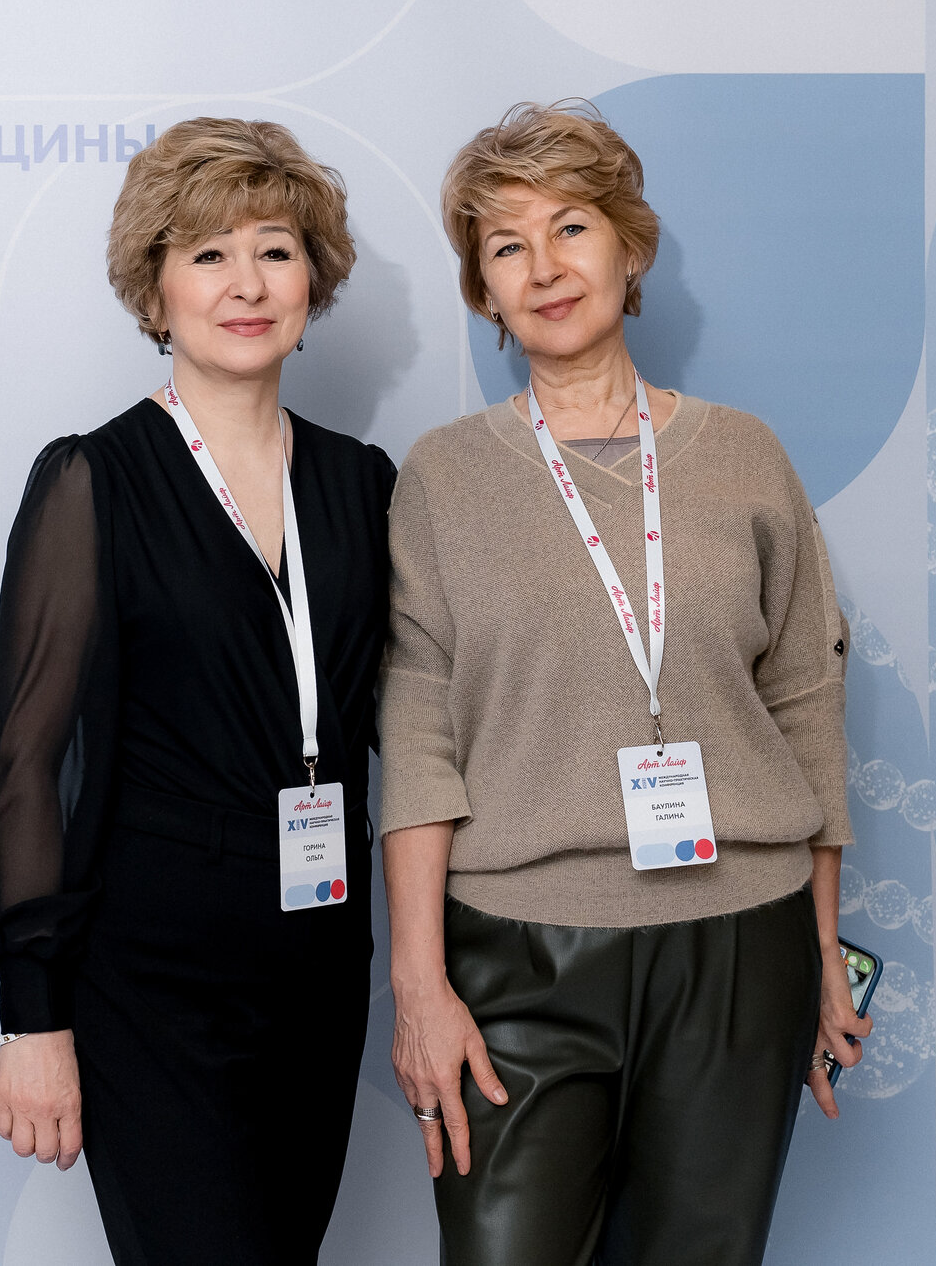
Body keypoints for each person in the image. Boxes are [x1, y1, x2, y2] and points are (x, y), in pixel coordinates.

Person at [380, 100, 868, 1266]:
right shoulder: (442, 478)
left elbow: (806, 702)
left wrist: (820, 951)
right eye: (507, 247)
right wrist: (418, 986)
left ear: (629, 248)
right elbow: (417, 731)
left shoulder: (743, 455)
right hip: (518, 951)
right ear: (484, 290)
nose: (545, 268)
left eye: (571, 228)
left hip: (738, 944)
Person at [0, 117, 397, 1266]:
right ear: (155, 290)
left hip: (318, 961)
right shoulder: (94, 480)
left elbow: (416, 727)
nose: (246, 284)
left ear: (312, 280)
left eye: (274, 250)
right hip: (151, 973)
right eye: (208, 254)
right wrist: (31, 1018)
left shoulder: (362, 484)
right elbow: (28, 768)